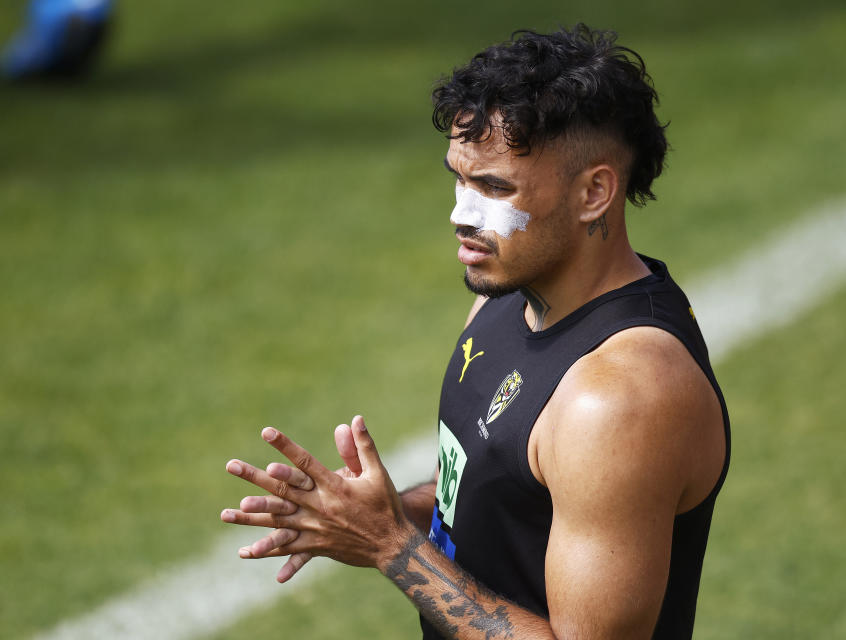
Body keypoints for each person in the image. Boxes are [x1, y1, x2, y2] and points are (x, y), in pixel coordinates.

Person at [220, 24, 730, 640]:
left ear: (594, 192)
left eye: (494, 188)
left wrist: (389, 545)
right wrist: (366, 512)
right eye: (460, 178)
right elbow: (499, 487)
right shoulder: (512, 295)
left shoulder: (619, 397)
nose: (462, 214)